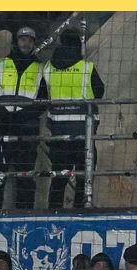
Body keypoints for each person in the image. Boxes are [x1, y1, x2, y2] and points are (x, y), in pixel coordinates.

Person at [0, 27, 45, 210]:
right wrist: (2, 112)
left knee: (25, 177)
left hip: (27, 128)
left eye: (30, 40)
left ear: (34, 43)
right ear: (15, 42)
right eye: (22, 39)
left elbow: (44, 100)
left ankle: (25, 215)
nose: (26, 43)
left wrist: (25, 114)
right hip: (0, 126)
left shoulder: (41, 68)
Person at [45, 29, 105, 208]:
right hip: (83, 134)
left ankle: (54, 213)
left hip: (58, 135)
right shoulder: (87, 68)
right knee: (83, 179)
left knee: (58, 180)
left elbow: (41, 95)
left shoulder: (48, 68)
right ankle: (80, 213)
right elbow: (99, 91)